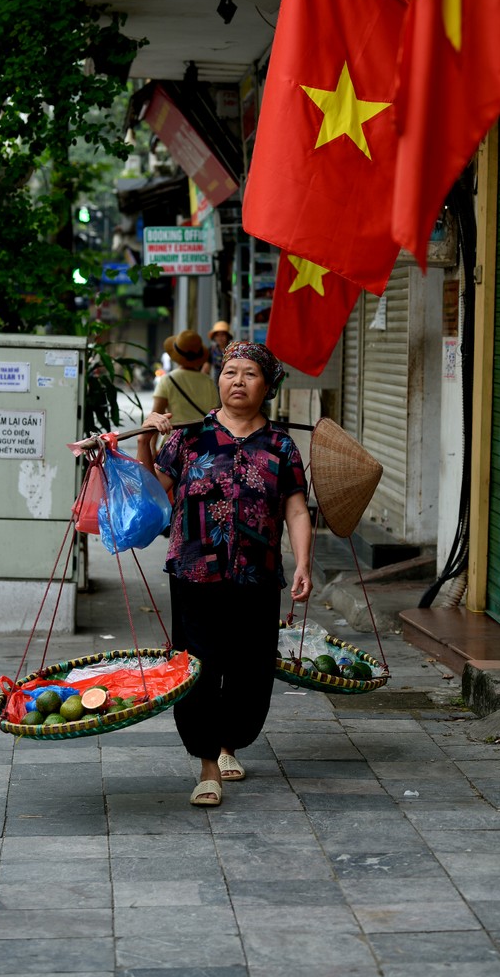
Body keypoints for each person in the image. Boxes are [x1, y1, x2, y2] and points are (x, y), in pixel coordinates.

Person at [137, 340, 312, 809]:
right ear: (219, 380)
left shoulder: (281, 446)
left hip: (258, 574)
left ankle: (231, 742)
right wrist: (146, 440)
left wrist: (304, 564)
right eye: (231, 371)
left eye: (250, 373)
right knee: (198, 666)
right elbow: (154, 494)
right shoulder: (189, 439)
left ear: (267, 386)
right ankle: (207, 764)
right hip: (195, 571)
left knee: (251, 668)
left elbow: (296, 510)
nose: (238, 380)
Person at [152, 329, 218, 426]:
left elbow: (156, 417)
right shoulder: (209, 382)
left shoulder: (167, 380)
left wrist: (151, 441)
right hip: (203, 439)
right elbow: (215, 415)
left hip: (174, 439)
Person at [205, 320, 232, 385]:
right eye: (217, 335)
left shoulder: (233, 349)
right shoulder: (212, 350)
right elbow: (206, 368)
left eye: (222, 335)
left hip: (231, 379)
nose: (220, 338)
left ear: (227, 336)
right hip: (217, 380)